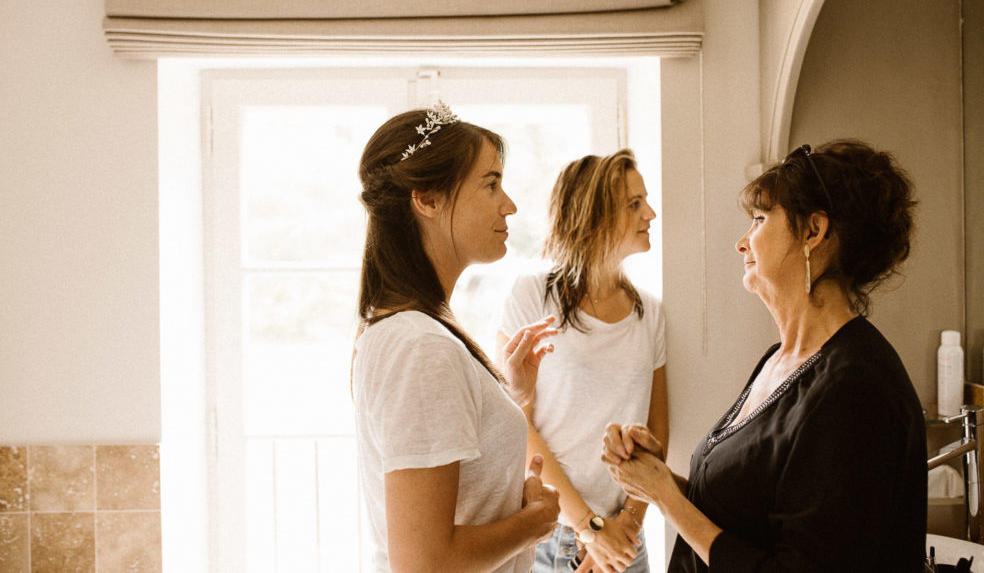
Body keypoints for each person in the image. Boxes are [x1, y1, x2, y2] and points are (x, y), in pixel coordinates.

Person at [601, 139, 926, 572]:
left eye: (758, 219)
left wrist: (665, 496)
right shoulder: (779, 359)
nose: (742, 242)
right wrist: (656, 476)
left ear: (813, 231)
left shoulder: (855, 387)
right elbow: (748, 517)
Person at [352, 101, 561, 572]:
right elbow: (424, 564)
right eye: (491, 184)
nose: (509, 204)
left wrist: (508, 396)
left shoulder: (409, 332)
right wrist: (537, 521)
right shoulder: (419, 346)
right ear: (427, 199)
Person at [498, 149, 668, 573]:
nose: (650, 213)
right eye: (634, 204)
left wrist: (624, 526)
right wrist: (589, 528)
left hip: (626, 538)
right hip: (547, 536)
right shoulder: (532, 296)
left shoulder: (651, 312)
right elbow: (516, 425)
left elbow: (658, 430)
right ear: (594, 214)